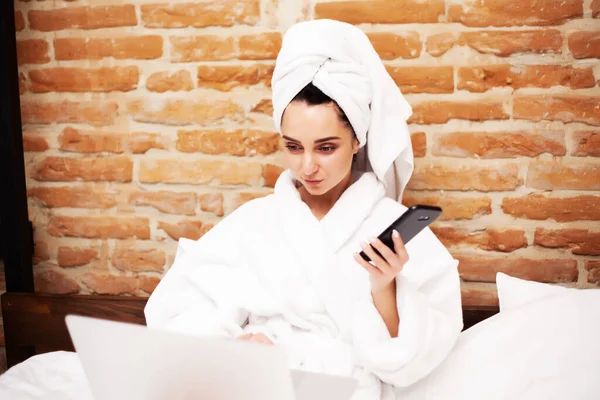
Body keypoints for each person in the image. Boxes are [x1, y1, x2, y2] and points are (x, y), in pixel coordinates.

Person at [144, 19, 463, 400]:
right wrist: (236, 346)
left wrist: (384, 288)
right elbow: (178, 314)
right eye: (293, 147)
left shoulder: (389, 227)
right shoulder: (255, 221)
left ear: (358, 140)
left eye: (326, 147)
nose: (307, 167)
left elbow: (408, 361)